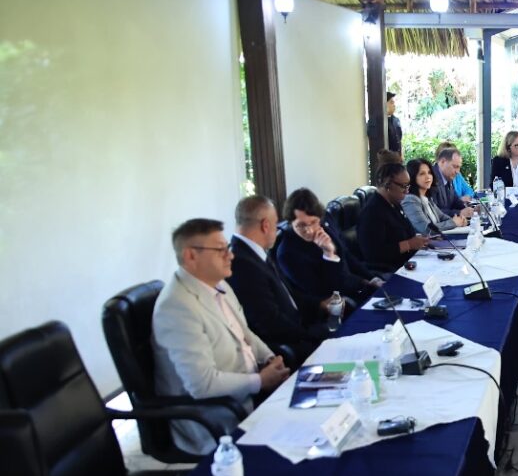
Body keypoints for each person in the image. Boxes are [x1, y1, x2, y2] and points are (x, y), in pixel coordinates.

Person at [152, 218, 290, 454]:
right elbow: (201, 385)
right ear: (191, 256)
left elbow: (244, 333)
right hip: (214, 417)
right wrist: (260, 381)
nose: (231, 255)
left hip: (248, 394)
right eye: (220, 250)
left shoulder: (219, 284)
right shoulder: (176, 307)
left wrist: (269, 358)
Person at [226, 195, 328, 367]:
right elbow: (268, 322)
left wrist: (319, 304)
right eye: (275, 224)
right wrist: (310, 335)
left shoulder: (254, 252)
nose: (277, 228)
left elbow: (288, 296)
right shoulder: (241, 262)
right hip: (287, 345)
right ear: (265, 225)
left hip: (299, 327)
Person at [276, 187, 384, 306]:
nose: (309, 230)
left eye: (313, 222)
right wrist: (329, 255)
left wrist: (372, 278)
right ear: (291, 223)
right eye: (301, 225)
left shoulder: (325, 225)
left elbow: (346, 255)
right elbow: (323, 289)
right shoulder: (287, 253)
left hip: (356, 285)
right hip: (336, 301)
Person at [357, 162, 430, 272]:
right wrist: (409, 244)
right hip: (389, 270)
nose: (407, 191)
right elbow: (373, 254)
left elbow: (408, 232)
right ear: (387, 184)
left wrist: (420, 240)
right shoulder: (372, 212)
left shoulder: (394, 204)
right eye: (403, 186)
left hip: (407, 263)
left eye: (408, 186)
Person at [402, 158, 470, 234]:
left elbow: (444, 217)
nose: (428, 177)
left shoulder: (427, 199)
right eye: (422, 174)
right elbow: (426, 229)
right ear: (412, 177)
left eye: (429, 173)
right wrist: (454, 223)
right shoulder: (410, 200)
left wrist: (460, 220)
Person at [431, 146, 468, 217]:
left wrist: (471, 209)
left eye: (459, 167)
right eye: (455, 167)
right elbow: (434, 212)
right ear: (442, 162)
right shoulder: (431, 178)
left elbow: (455, 201)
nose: (457, 172)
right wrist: (459, 213)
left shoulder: (447, 177)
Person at [385, 91, 402, 157]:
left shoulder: (396, 120)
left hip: (397, 157)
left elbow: (399, 140)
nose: (394, 105)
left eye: (394, 103)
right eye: (391, 103)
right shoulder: (380, 122)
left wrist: (401, 155)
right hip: (387, 158)